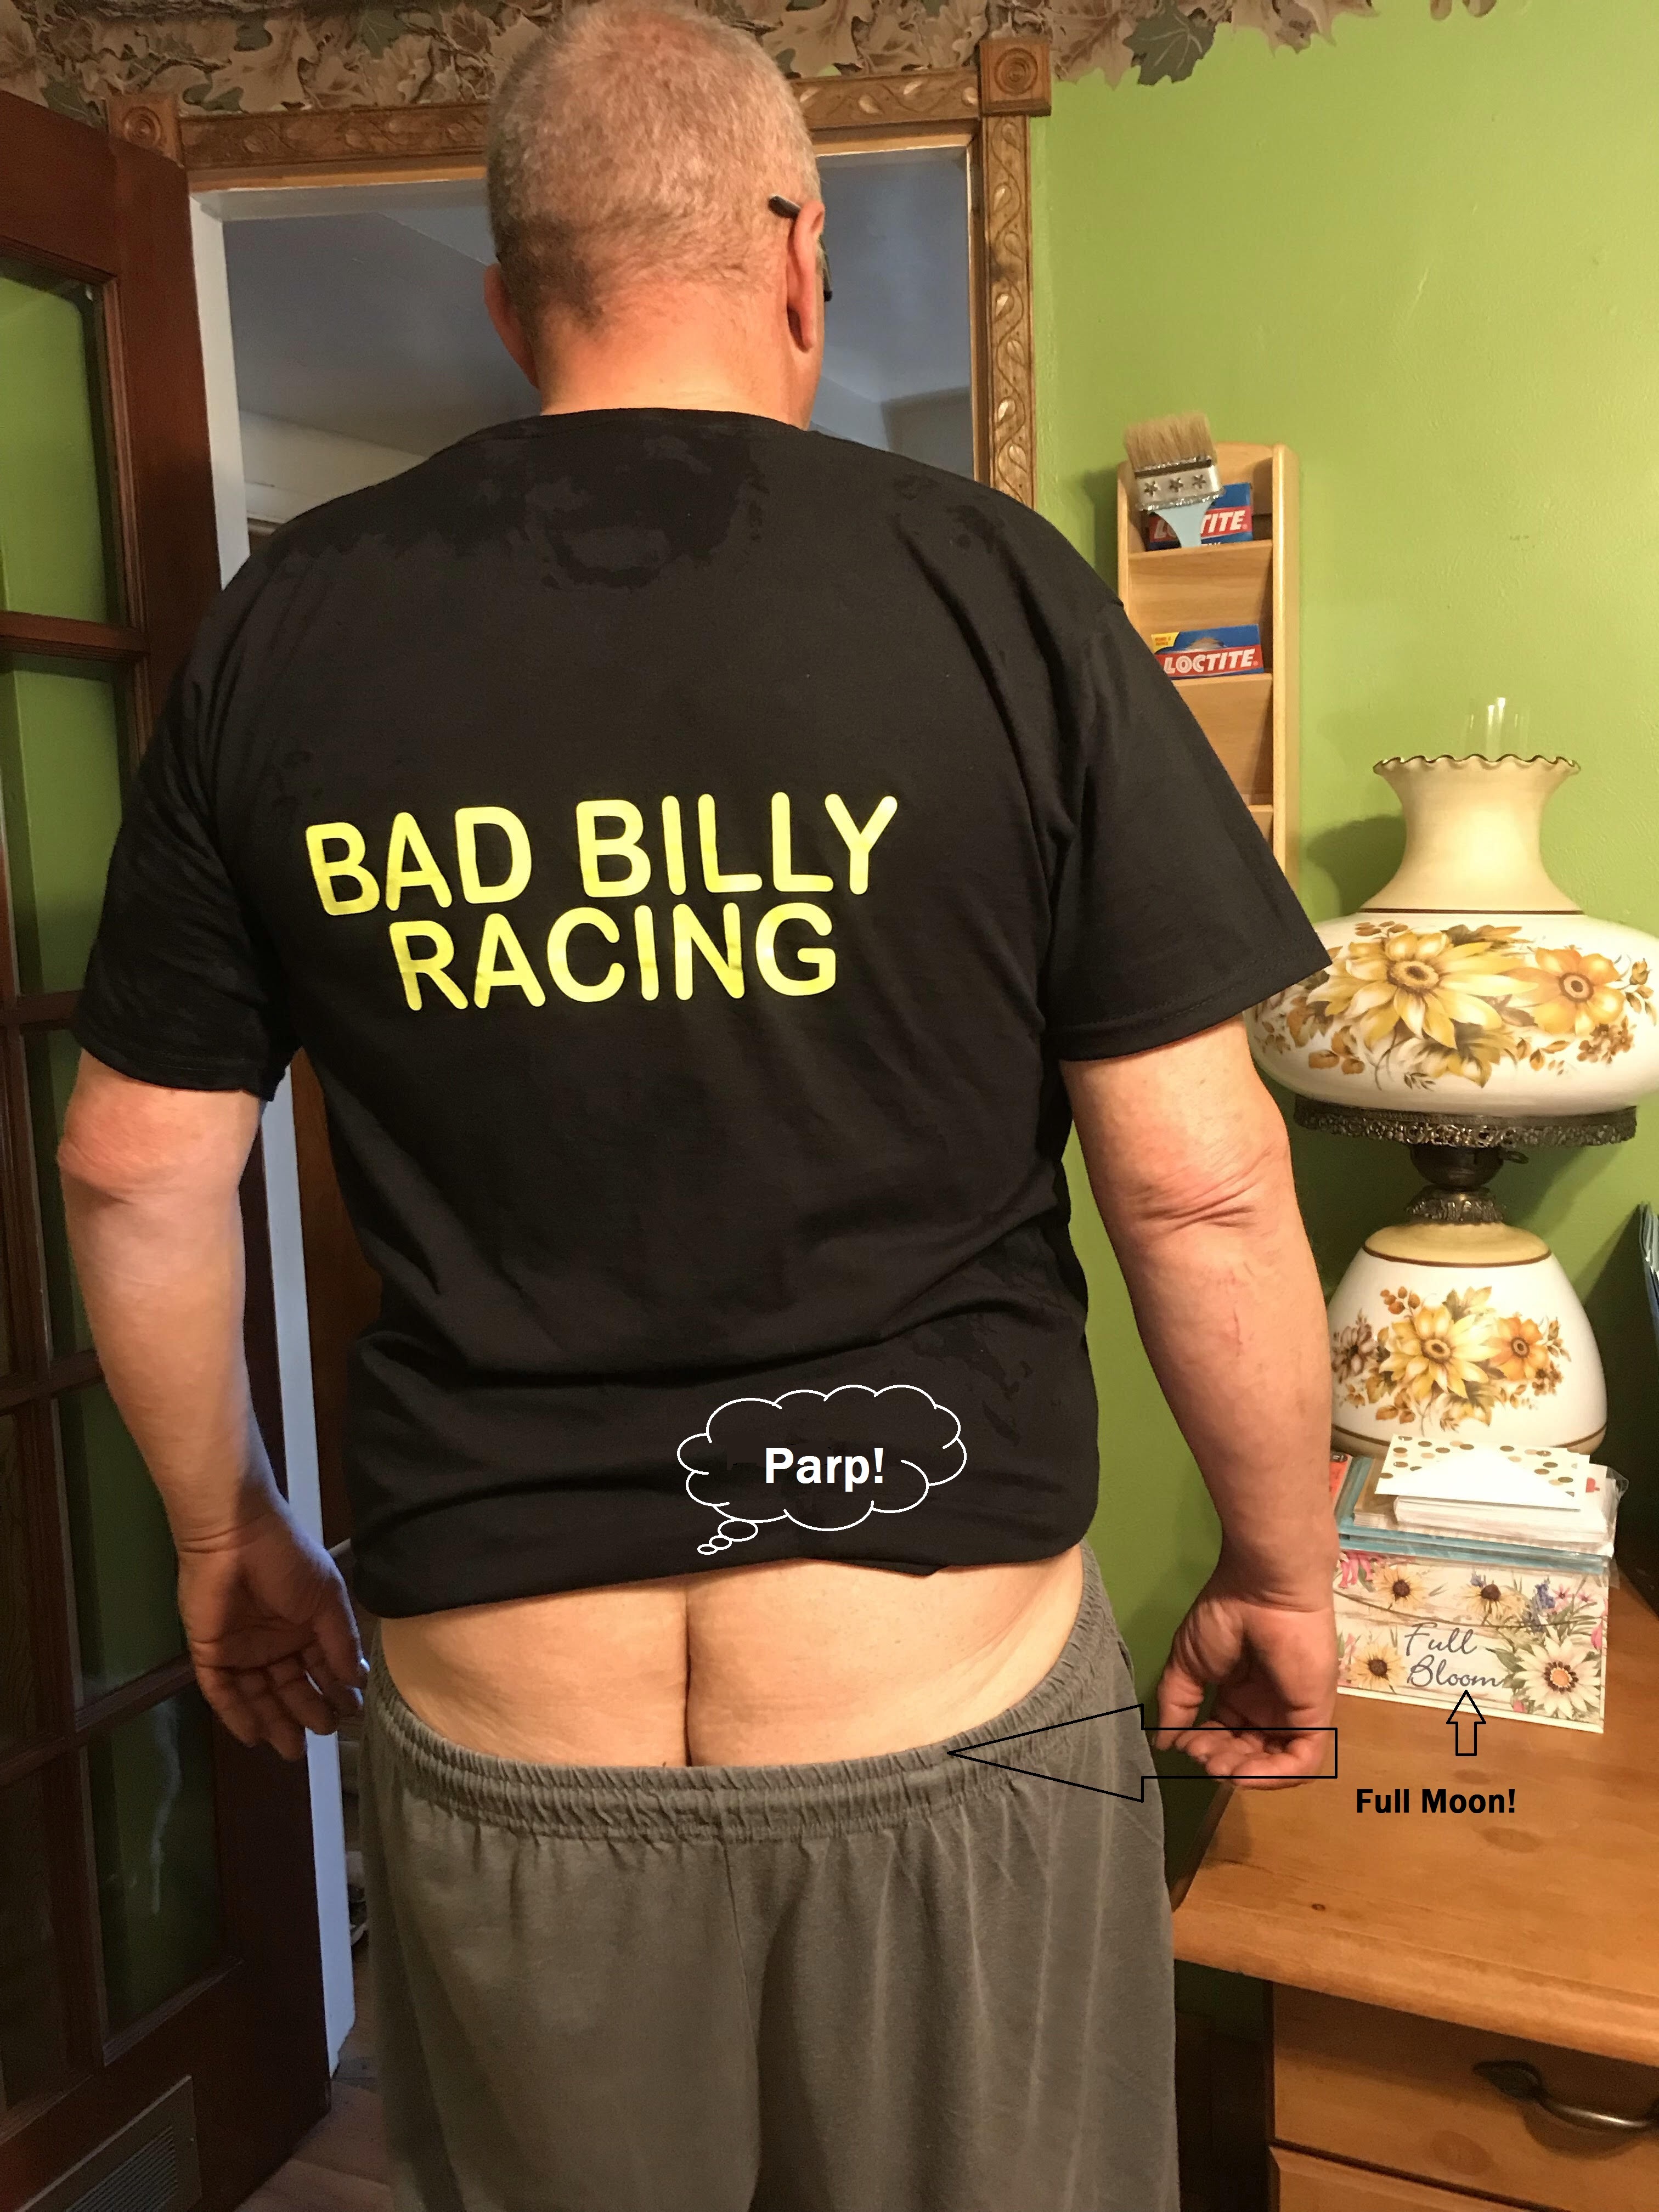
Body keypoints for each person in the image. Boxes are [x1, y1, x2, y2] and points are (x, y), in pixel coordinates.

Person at [61, 5, 1338, 2207]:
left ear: (509, 297)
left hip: (509, 1709)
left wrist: (224, 1534)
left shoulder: (290, 628)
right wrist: (1283, 1569)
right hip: (933, 1693)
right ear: (800, 258)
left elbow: (127, 1166)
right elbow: (1203, 1191)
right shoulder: (997, 591)